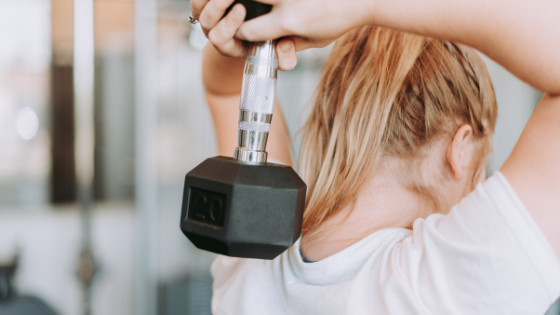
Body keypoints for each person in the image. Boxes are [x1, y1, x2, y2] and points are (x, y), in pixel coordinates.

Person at [191, 0, 560, 313]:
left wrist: (242, 16)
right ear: (459, 149)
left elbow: (224, 86)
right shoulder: (447, 285)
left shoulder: (251, 251)